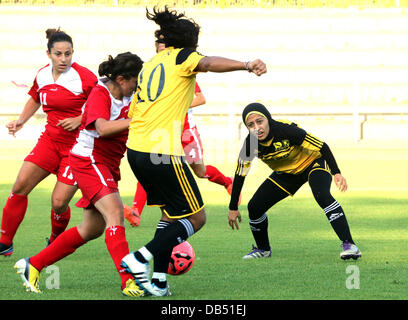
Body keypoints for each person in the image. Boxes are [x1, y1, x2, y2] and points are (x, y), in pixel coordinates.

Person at [120, 6, 267, 297]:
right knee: (197, 218)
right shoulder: (182, 56)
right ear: (190, 44)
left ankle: (159, 282)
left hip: (136, 150)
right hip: (161, 151)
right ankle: (138, 259)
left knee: (170, 217)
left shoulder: (150, 64)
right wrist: (247, 64)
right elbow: (210, 63)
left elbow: (135, 109)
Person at [14, 52, 145, 297]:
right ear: (121, 79)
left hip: (107, 163)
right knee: (115, 214)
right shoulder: (100, 92)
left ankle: (34, 264)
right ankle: (129, 281)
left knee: (91, 228)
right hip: (89, 159)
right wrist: (138, 121)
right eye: (135, 82)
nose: (137, 87)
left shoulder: (131, 96)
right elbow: (103, 128)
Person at [0, 28, 97, 257]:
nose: (63, 59)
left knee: (58, 203)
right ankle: (5, 242)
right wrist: (20, 121)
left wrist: (79, 119)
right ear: (49, 54)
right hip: (50, 142)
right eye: (58, 54)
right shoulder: (42, 74)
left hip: (77, 147)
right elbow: (35, 97)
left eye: (68, 54)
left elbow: (104, 107)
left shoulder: (85, 77)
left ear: (73, 53)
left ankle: (55, 242)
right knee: (20, 186)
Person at [227, 102, 362, 260]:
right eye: (250, 125)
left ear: (268, 119)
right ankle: (263, 249)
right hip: (287, 174)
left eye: (260, 121)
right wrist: (233, 207)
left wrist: (336, 172)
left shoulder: (285, 130)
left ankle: (350, 245)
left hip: (313, 163)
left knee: (322, 195)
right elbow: (239, 175)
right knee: (255, 207)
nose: (257, 127)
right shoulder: (251, 144)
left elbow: (322, 146)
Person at [123, 41, 237, 227]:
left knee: (199, 172)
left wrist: (174, 105)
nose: (163, 50)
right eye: (159, 47)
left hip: (185, 130)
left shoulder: (182, 72)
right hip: (164, 132)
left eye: (165, 46)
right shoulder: (156, 72)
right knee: (154, 167)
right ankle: (137, 210)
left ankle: (227, 182)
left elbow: (200, 98)